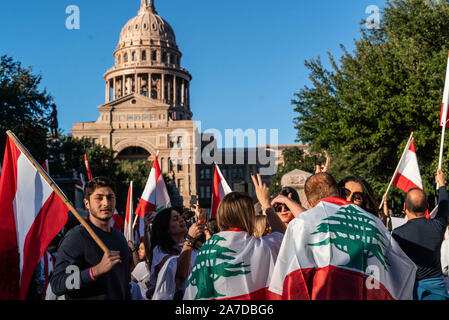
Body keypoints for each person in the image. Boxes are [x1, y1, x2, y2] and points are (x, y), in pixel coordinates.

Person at [268, 172, 417, 300]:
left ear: (308, 202)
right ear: (339, 192)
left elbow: (291, 279)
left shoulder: (302, 222)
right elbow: (404, 269)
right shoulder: (374, 223)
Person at [183, 173, 286, 300]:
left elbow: (197, 294)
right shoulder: (265, 246)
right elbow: (282, 236)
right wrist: (266, 205)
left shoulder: (208, 250)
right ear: (249, 217)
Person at [50, 177, 131, 300]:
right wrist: (96, 271)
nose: (106, 203)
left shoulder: (120, 238)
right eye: (99, 198)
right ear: (86, 203)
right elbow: (58, 284)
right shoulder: (76, 237)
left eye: (110, 197)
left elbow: (124, 286)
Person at [392, 169, 449, 300]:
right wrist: (442, 184)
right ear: (427, 206)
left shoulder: (397, 235)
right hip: (437, 292)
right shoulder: (438, 226)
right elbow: (444, 206)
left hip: (409, 291)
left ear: (404, 207)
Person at [147, 208, 205, 300]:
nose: (181, 220)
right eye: (175, 219)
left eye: (181, 217)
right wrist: (190, 239)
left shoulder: (196, 247)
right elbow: (180, 274)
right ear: (166, 229)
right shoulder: (160, 250)